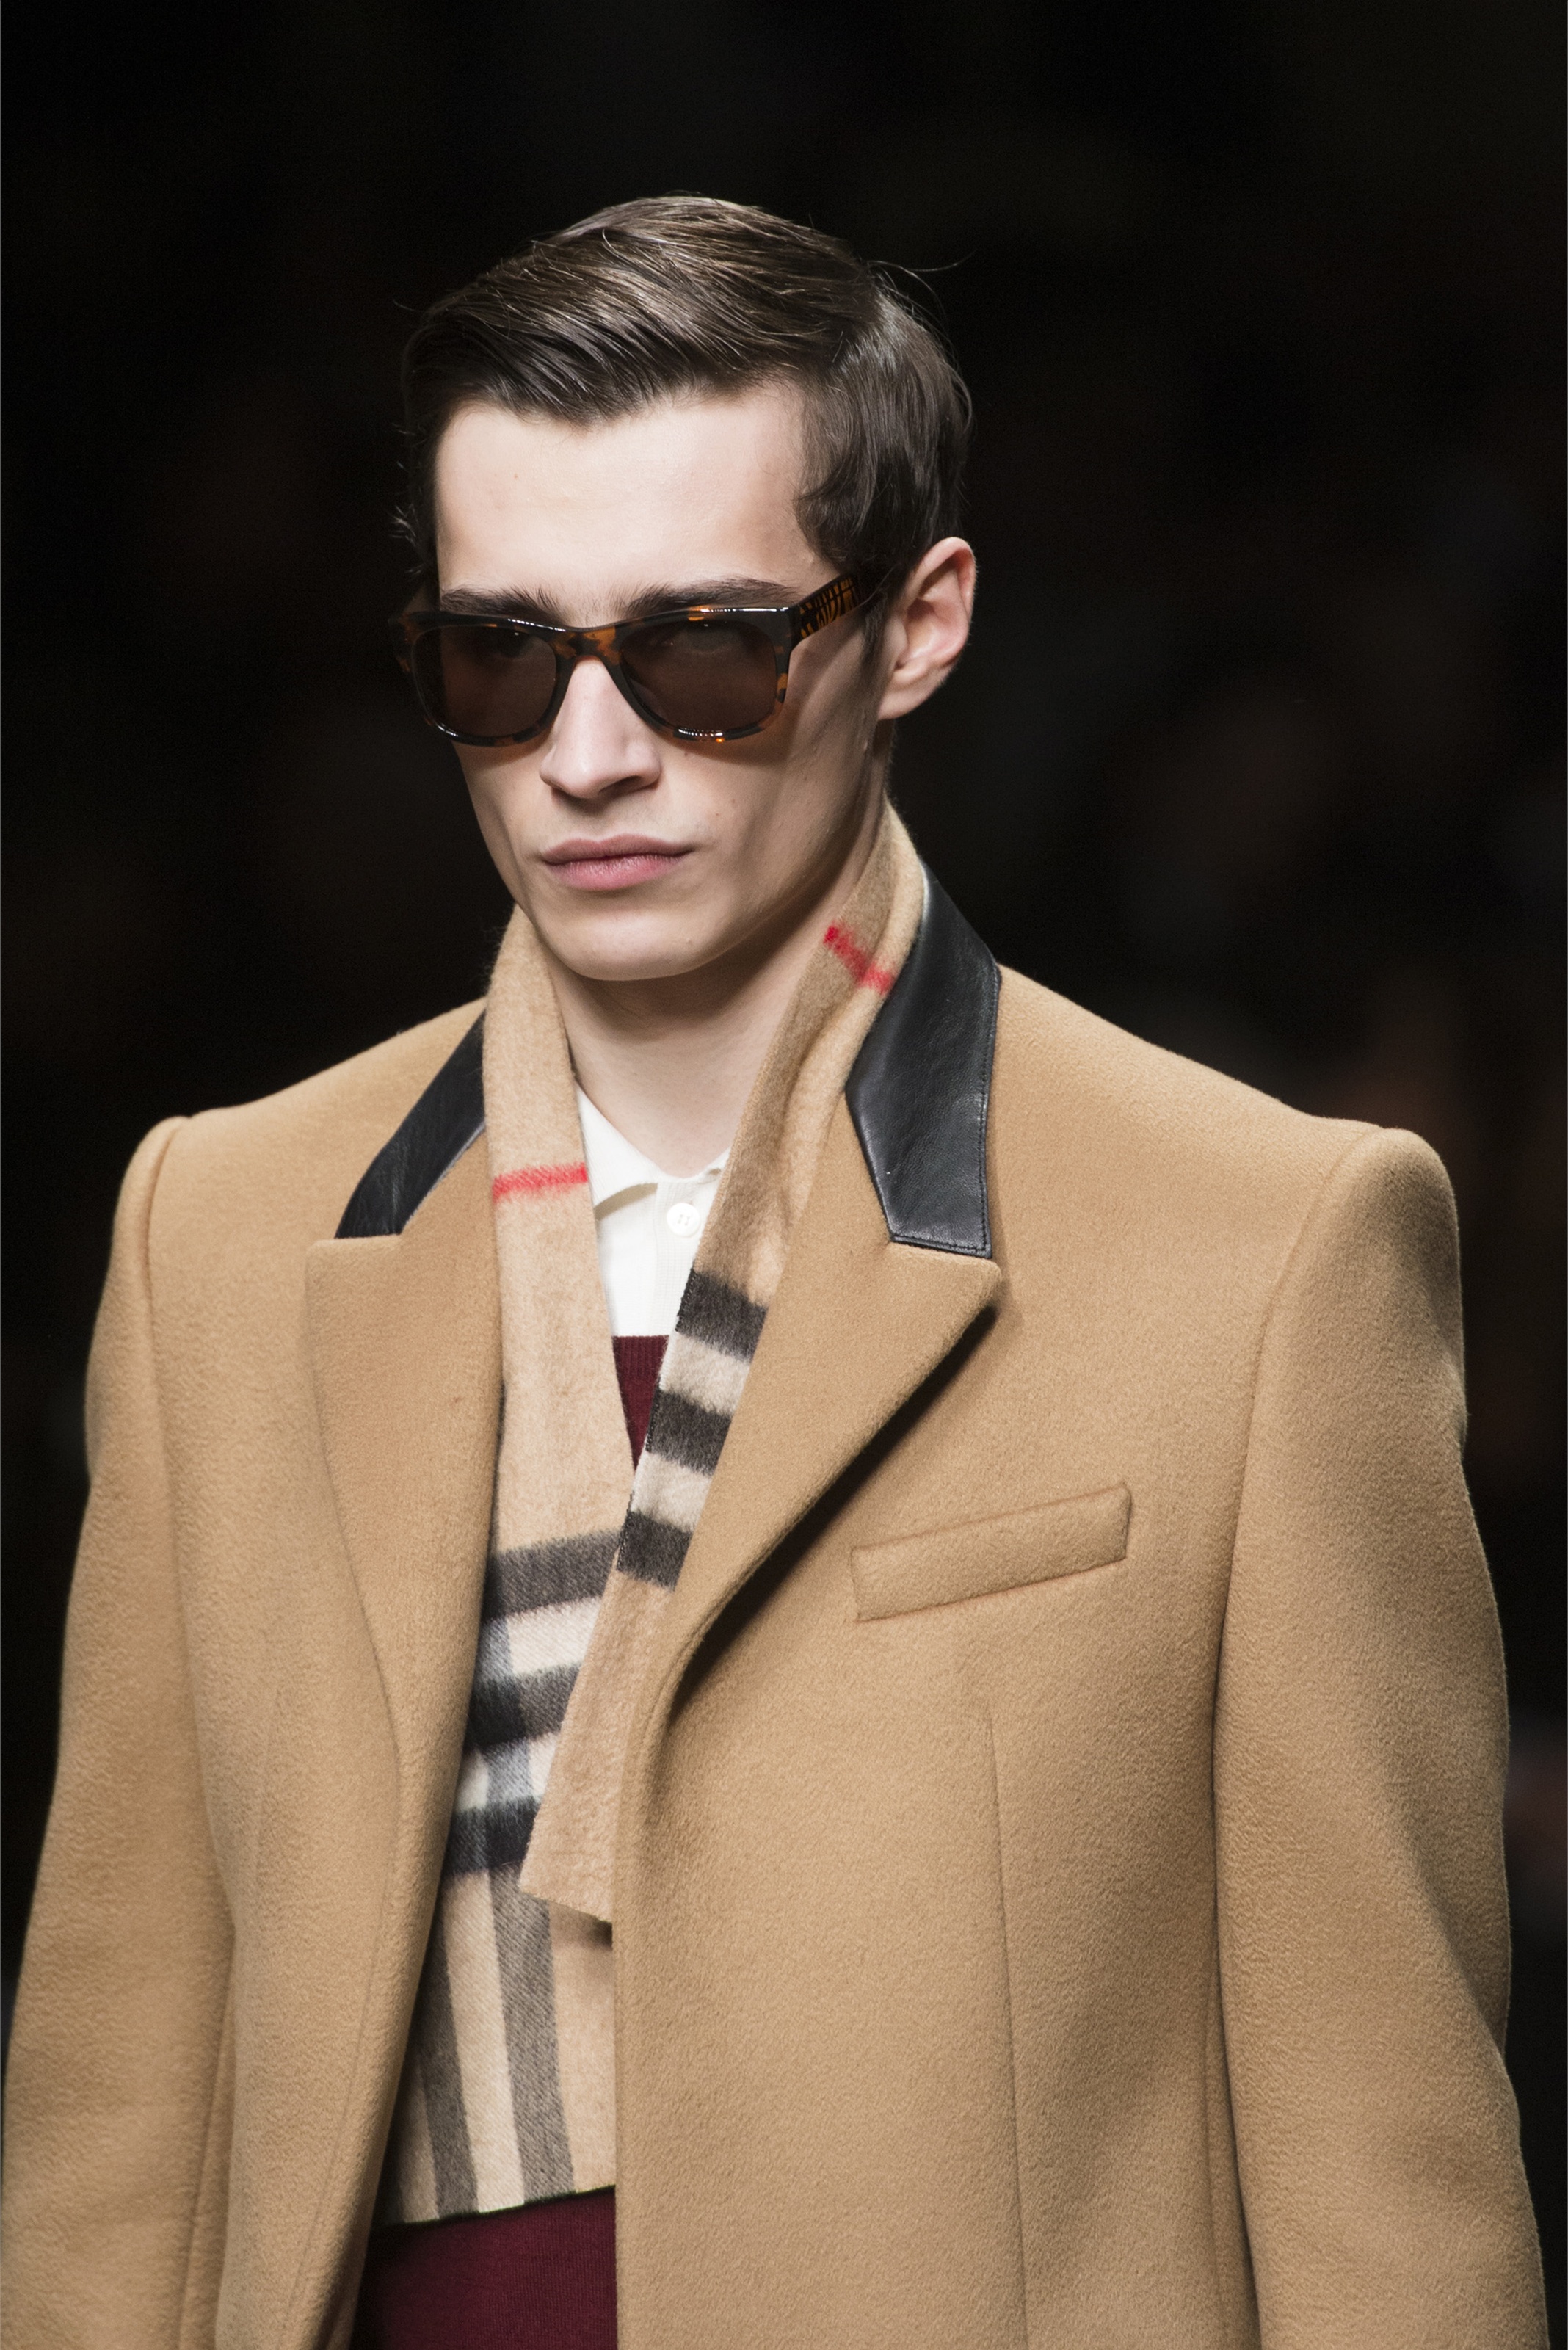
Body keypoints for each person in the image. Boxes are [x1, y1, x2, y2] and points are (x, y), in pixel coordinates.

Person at [1, 197, 1545, 2350]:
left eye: (707, 649)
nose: (589, 752)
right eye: (500, 656)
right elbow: (122, 2136)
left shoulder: (1265, 1253)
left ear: (919, 627)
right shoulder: (223, 1242)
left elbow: (1388, 2192)